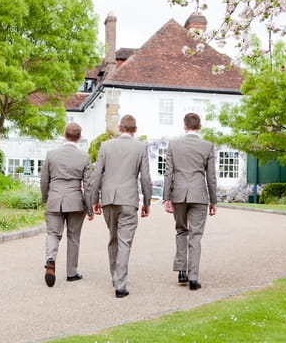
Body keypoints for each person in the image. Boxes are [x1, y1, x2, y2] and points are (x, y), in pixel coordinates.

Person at [90, 114, 152, 298]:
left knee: (113, 239)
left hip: (109, 198)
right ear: (135, 130)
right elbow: (146, 178)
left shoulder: (106, 146)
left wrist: (94, 200)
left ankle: (115, 276)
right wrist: (147, 202)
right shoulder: (141, 147)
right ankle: (120, 284)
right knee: (124, 241)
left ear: (119, 127)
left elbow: (97, 175)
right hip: (129, 199)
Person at [163, 113, 217, 291]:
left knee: (181, 231)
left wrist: (166, 197)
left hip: (179, 194)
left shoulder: (174, 144)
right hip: (199, 194)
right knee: (195, 236)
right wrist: (213, 201)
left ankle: (181, 270)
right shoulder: (207, 146)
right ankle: (193, 277)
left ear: (184, 126)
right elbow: (211, 177)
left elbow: (168, 173)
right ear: (200, 126)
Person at [40, 122, 94, 287]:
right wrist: (90, 207)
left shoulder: (51, 155)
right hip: (75, 201)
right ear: (79, 137)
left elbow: (44, 180)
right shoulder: (84, 157)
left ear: (65, 135)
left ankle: (50, 259)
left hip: (55, 199)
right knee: (73, 237)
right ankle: (71, 273)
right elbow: (89, 185)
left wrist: (46, 198)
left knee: (53, 234)